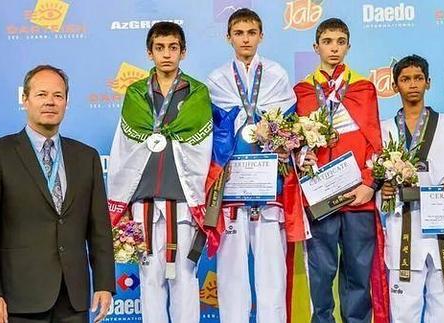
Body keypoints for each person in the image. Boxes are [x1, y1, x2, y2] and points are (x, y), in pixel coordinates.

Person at [0, 65, 115, 323]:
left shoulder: (86, 157)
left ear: (66, 102)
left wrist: (104, 283)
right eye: (41, 94)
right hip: (19, 300)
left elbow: (100, 229)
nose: (50, 101)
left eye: (58, 95)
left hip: (74, 299)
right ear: (25, 99)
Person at [205, 8, 308, 323]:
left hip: (269, 191)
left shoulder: (276, 75)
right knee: (231, 278)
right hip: (232, 190)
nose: (245, 39)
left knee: (272, 277)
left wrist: (281, 141)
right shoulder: (217, 80)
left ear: (261, 36)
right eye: (239, 33)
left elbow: (290, 128)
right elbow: (212, 136)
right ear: (229, 38)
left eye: (251, 32)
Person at [106, 22, 213, 323]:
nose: (167, 54)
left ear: (183, 52)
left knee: (184, 279)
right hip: (143, 201)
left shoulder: (197, 92)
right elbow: (125, 150)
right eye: (160, 48)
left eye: (173, 47)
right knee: (150, 279)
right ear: (149, 52)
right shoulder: (135, 93)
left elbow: (201, 148)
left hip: (183, 200)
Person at [293, 18, 389, 323]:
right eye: (328, 41)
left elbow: (376, 142)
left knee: (358, 277)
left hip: (357, 197)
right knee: (320, 277)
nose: (334, 48)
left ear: (348, 46)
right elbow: (294, 141)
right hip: (319, 197)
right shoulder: (302, 91)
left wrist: (370, 184)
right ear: (316, 47)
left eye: (340, 41)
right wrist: (301, 159)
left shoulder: (363, 88)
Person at [380, 54, 444, 323]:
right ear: (395, 85)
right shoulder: (384, 129)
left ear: (428, 83)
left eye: (418, 78)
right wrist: (383, 191)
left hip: (443, 228)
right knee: (402, 313)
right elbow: (377, 179)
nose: (413, 84)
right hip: (403, 226)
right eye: (405, 79)